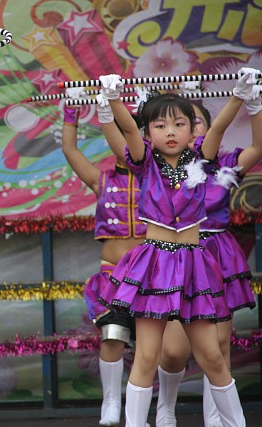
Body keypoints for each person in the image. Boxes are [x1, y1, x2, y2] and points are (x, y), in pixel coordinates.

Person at [97, 69, 258, 427]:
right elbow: (127, 130)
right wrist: (113, 100)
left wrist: (239, 95)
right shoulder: (144, 162)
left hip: (194, 265)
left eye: (179, 124)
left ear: (191, 130)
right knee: (147, 356)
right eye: (160, 126)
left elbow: (218, 128)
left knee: (212, 357)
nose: (170, 131)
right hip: (154, 263)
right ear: (149, 133)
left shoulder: (202, 159)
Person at [155, 85, 262, 427]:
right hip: (179, 255)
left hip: (217, 254)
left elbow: (258, 147)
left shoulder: (225, 164)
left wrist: (254, 104)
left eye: (196, 121)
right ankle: (165, 405)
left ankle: (216, 420)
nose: (192, 128)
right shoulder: (163, 164)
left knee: (218, 343)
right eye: (180, 123)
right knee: (174, 350)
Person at [61, 89, 146, 426]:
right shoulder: (102, 180)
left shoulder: (156, 178)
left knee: (151, 343)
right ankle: (110, 401)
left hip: (150, 273)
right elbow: (70, 150)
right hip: (112, 274)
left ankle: (145, 410)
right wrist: (70, 111)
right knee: (112, 335)